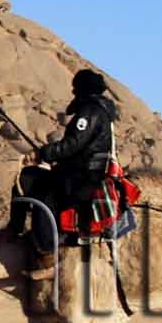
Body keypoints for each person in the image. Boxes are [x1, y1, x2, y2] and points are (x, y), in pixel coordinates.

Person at [17, 68, 120, 282]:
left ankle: (47, 254)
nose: (73, 91)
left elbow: (73, 144)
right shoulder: (101, 110)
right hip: (84, 171)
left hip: (83, 176)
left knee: (40, 192)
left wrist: (44, 152)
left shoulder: (90, 111)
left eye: (75, 87)